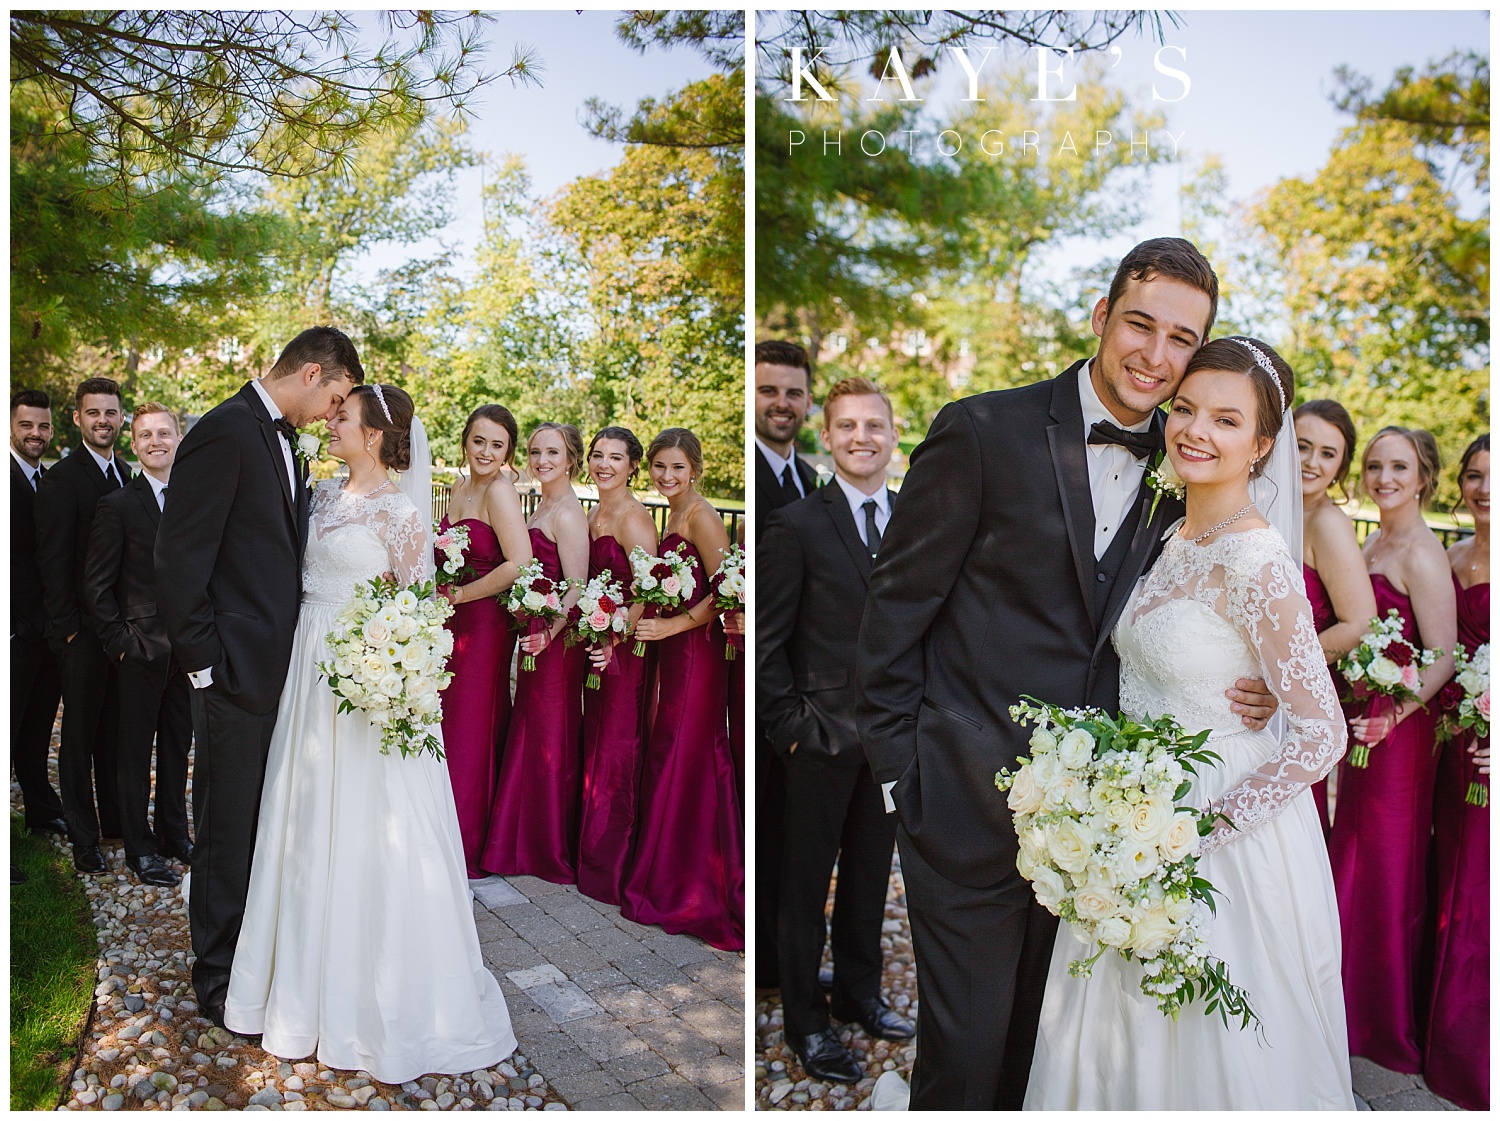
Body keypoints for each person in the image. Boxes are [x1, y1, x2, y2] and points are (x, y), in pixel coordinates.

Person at [856, 238, 1277, 1109]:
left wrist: (1257, 677)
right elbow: (892, 614)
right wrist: (905, 780)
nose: (1157, 357)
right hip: (961, 807)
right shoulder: (981, 429)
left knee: (1044, 1065)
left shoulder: (1184, 465)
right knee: (964, 1066)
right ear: (1101, 317)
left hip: (1100, 842)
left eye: (1182, 341)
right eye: (1140, 324)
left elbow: (1210, 597)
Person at [1025, 337, 1354, 1109]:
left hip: (1217, 834)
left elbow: (1322, 732)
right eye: (1186, 408)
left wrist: (1208, 825)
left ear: (1261, 444)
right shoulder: (1167, 533)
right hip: (1130, 818)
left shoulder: (1260, 561)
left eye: (1227, 419)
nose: (1196, 429)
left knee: (1210, 1042)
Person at [223, 383, 516, 1080]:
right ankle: (291, 985)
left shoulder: (400, 513)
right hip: (307, 671)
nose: (331, 424)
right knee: (302, 812)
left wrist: (389, 676)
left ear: (377, 434)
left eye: (343, 417)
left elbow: (417, 612)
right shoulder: (321, 495)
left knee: (365, 819)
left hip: (363, 680)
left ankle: (375, 993)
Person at [156, 326, 362, 1027]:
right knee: (224, 828)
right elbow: (180, 559)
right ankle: (214, 978)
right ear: (310, 372)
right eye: (333, 396)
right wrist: (205, 666)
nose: (330, 413)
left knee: (260, 824)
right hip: (233, 674)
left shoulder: (280, 439)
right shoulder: (223, 431)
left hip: (284, 677)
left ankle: (250, 962)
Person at [760, 377, 914, 1086]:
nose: (861, 437)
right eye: (847, 425)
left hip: (890, 741)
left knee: (867, 881)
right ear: (829, 435)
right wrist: (792, 730)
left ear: (892, 433)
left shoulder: (914, 519)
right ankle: (807, 1021)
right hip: (818, 741)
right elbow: (767, 644)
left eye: (873, 425)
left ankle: (860, 992)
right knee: (802, 887)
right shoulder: (797, 524)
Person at [1327, 426, 1456, 1073]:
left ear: (1423, 477)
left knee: (1384, 866)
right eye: (1375, 465)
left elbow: (1445, 655)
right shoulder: (1374, 538)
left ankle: (1378, 1020)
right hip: (1362, 719)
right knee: (1351, 855)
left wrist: (1394, 716)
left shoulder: (1424, 552)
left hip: (1399, 737)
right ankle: (1340, 1003)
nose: (1383, 478)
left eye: (1398, 467)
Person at [621, 428, 745, 950]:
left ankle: (694, 883)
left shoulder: (702, 516)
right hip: (671, 648)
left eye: (676, 468)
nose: (667, 477)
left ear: (695, 469)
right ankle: (663, 866)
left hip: (695, 651)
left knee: (686, 750)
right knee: (668, 748)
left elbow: (727, 592)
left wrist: (672, 627)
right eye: (659, 468)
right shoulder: (669, 514)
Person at [81, 403, 192, 887]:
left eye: (163, 433)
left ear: (178, 439)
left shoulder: (194, 499)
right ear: (135, 445)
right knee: (133, 752)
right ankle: (139, 847)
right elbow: (96, 587)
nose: (155, 441)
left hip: (188, 647)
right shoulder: (119, 505)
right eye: (145, 435)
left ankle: (173, 834)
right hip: (140, 649)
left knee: (176, 746)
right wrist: (120, 643)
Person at [481, 423, 589, 884]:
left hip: (555, 644)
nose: (542, 460)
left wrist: (551, 632)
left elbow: (578, 586)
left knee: (549, 735)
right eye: (535, 452)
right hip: (536, 636)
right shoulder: (541, 503)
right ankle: (517, 838)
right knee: (529, 730)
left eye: (553, 452)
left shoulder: (568, 513)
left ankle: (545, 846)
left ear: (571, 459)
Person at [36, 376, 133, 873]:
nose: (102, 421)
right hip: (81, 635)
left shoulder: (127, 475)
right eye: (93, 413)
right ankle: (83, 837)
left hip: (120, 630)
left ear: (121, 418)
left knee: (113, 732)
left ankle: (115, 820)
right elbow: (51, 563)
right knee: (78, 737)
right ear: (77, 419)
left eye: (110, 412)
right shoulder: (62, 479)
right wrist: (69, 631)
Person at [436, 405, 532, 878]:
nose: (487, 452)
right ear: (465, 442)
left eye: (498, 445)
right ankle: (439, 827)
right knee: (448, 721)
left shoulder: (499, 491)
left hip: (485, 623)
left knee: (471, 724)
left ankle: (465, 840)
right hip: (453, 620)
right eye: (479, 441)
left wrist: (462, 595)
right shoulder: (459, 486)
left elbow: (520, 562)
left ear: (508, 451)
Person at [1423, 433, 1488, 1111]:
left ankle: (1473, 1055)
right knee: (1446, 875)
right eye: (1474, 475)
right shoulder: (1449, 557)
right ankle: (1434, 1032)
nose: (1483, 489)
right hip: (1451, 744)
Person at [754, 338, 817, 987]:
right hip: (760, 682)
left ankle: (777, 960)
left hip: (804, 693)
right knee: (762, 820)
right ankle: (766, 956)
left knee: (784, 833)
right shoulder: (754, 473)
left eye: (793, 391)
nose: (781, 403)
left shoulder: (810, 479)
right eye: (769, 389)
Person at [576, 426, 659, 905]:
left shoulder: (634, 518)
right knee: (596, 743)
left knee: (617, 749)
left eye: (615, 458)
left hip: (624, 651)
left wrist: (613, 636)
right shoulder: (593, 512)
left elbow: (647, 591)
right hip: (598, 643)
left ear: (631, 466)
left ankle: (611, 863)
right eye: (598, 456)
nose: (604, 465)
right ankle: (589, 852)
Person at [1295, 399, 1377, 834]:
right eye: (1303, 445)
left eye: (1328, 454)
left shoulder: (1328, 524)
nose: (1311, 462)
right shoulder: (1267, 503)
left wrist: (1284, 674)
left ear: (1341, 467)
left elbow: (1360, 623)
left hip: (1295, 699)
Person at [10, 389, 68, 838]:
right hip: (13, 632)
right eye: (26, 424)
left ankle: (40, 809)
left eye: (42, 425)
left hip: (45, 633)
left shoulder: (46, 480)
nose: (35, 433)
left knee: (34, 732)